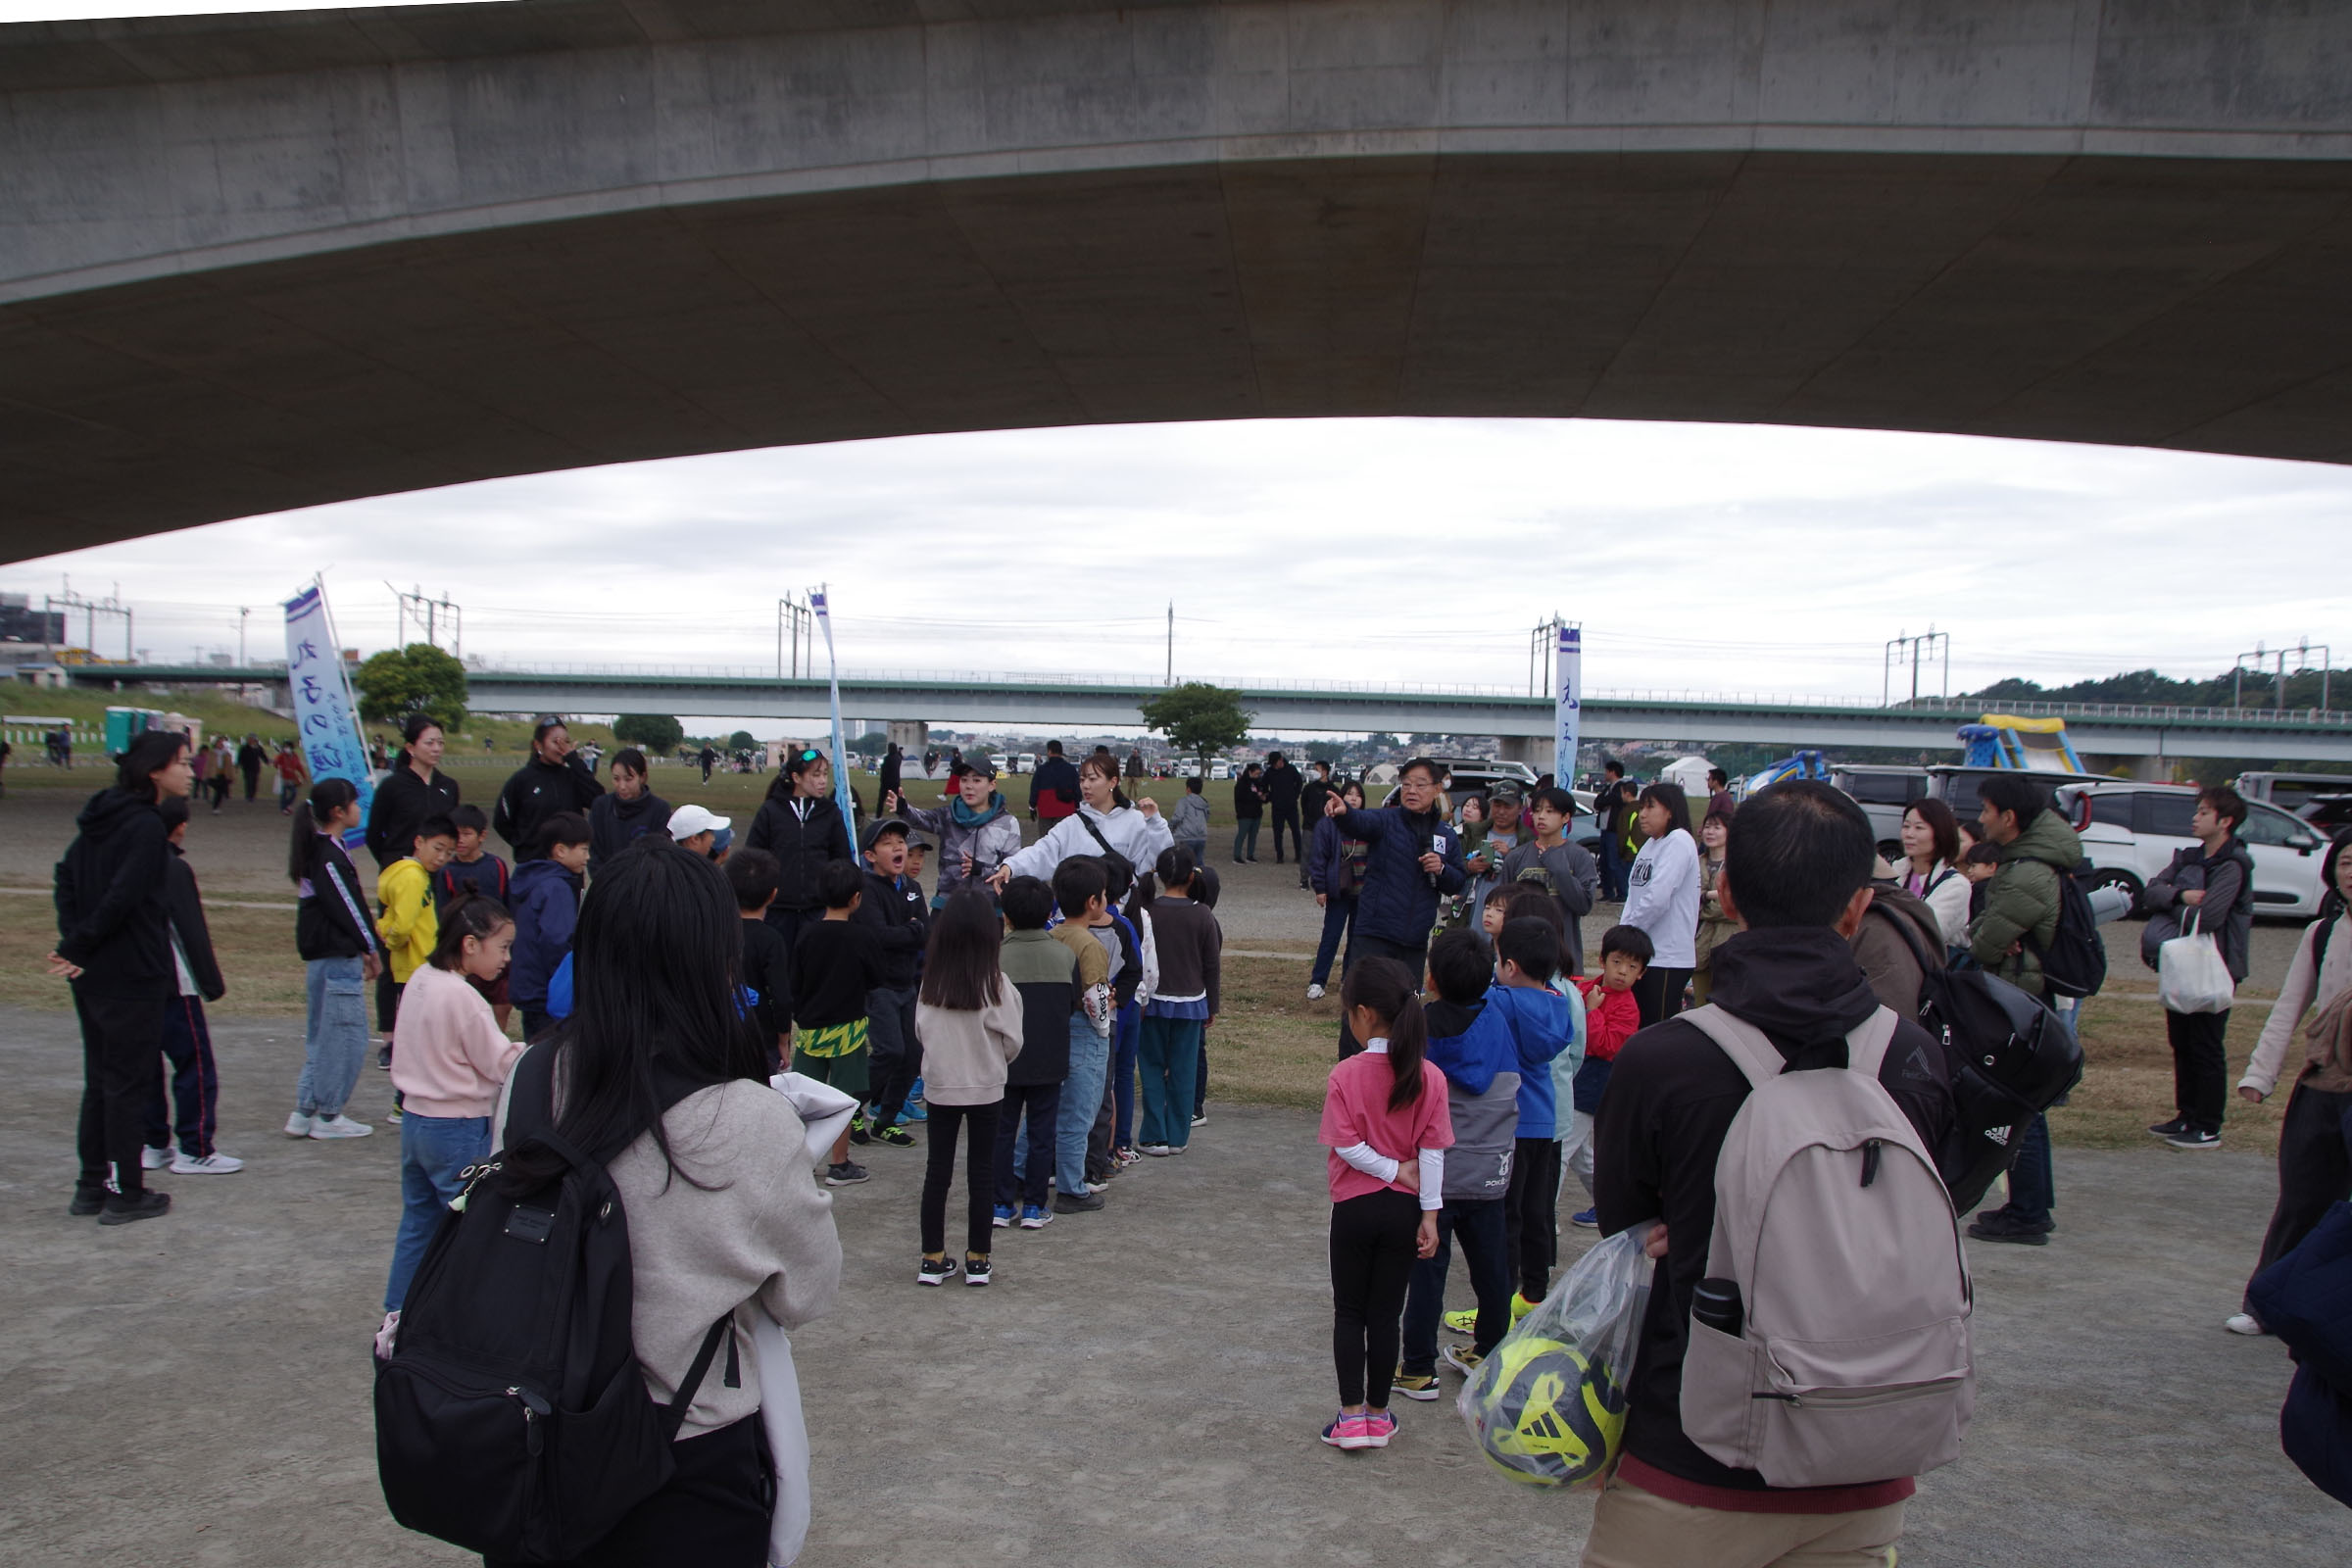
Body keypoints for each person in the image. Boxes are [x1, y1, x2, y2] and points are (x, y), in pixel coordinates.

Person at [1585, 780, 1959, 1564]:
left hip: (1691, 1455)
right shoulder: (1915, 1059)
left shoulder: (1665, 1060)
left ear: (1725, 889)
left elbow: (1627, 1225)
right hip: (1863, 1462)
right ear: (1858, 907)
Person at [483, 838, 841, 1561]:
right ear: (715, 957)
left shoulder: (531, 1074)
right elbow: (806, 1293)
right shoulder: (746, 1117)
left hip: (532, 1434)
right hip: (682, 1450)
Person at [49, 730, 193, 1222]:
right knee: (128, 1083)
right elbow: (124, 895)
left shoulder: (100, 819)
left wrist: (77, 940)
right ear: (154, 770)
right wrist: (78, 942)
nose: (190, 771)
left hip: (95, 973)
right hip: (131, 974)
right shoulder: (144, 827)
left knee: (102, 1080)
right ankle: (125, 1192)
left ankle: (91, 1186)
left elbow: (65, 877)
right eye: (182, 762)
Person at [1317, 956, 1450, 1450]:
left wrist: (1391, 1170)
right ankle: (1378, 1413)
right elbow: (1433, 1152)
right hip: (1404, 1212)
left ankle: (1351, 1417)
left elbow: (1345, 1145)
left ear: (1365, 1014)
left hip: (1353, 1209)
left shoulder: (1346, 1075)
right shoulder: (1430, 1076)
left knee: (1349, 1312)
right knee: (1385, 1313)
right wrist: (1430, 1214)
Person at [2230, 831, 2352, 1336]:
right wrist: (2261, 1073)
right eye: (2346, 862)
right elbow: (2288, 1007)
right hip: (2323, 1086)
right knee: (2302, 1199)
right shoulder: (2322, 932)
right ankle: (2269, 1304)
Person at [381, 895, 521, 1318]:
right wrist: (540, 1056)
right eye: (502, 947)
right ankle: (465, 1320)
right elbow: (500, 1063)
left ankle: (398, 1312)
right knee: (473, 1226)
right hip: (456, 1127)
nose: (507, 959)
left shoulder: (422, 979)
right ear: (470, 944)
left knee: (419, 1224)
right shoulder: (464, 999)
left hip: (417, 1123)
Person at [1395, 930, 1521, 1401]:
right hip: (1491, 1171)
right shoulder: (1499, 1021)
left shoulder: (1419, 1027)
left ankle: (1418, 1369)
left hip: (1435, 1175)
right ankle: (1490, 1352)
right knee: (1493, 1270)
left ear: (1431, 978)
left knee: (1427, 1269)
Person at [1964, 773, 2082, 1244]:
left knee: (2020, 1106)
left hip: (2022, 998)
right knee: (2029, 1104)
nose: (1981, 818)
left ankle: (2028, 1212)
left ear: (2009, 818)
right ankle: (2029, 1204)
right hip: (2026, 994)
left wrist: (1987, 932)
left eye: (1987, 809)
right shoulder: (2029, 861)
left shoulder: (2028, 871)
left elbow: (1984, 940)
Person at [912, 888, 1025, 1286]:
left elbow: (920, 1032)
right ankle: (978, 1258)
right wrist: (993, 1063)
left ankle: (932, 1257)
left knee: (937, 1171)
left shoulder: (931, 984)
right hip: (986, 1087)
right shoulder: (997, 984)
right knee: (982, 1171)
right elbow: (1013, 1039)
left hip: (941, 1086)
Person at [1323, 757, 1468, 1054]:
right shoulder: (1387, 820)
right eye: (1405, 784)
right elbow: (1359, 821)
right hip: (1374, 933)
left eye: (1419, 784)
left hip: (1413, 941)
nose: (1411, 790)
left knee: (1404, 1013)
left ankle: (1395, 1078)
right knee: (1362, 1005)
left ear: (1438, 788)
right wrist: (1342, 812)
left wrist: (1440, 869)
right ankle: (1352, 1076)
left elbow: (1457, 882)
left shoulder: (1445, 835)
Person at [2141, 784, 2257, 1152]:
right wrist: (2180, 896)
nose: (2196, 817)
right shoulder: (2189, 857)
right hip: (2182, 962)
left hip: (2215, 966)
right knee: (2181, 1041)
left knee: (2206, 1045)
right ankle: (2186, 1114)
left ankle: (2208, 1125)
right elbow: (2151, 890)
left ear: (2226, 822)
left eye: (2204, 812)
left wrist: (2173, 902)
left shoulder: (2234, 865)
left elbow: (2210, 916)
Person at [141, 794, 240, 1175]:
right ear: (180, 826)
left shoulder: (133, 863)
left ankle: (154, 1142)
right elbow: (189, 931)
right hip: (174, 982)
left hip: (141, 982)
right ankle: (195, 1146)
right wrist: (210, 982)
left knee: (149, 1064)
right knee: (194, 1064)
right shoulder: (173, 870)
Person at [1485, 917, 1577, 1322]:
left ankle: (1498, 1303)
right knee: (1537, 1210)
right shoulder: (1560, 1002)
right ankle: (1535, 1292)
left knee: (1507, 1214)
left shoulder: (1501, 1002)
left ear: (1512, 966)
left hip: (1511, 1123)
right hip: (1545, 1119)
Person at [284, 777, 382, 1144]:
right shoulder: (328, 855)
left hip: (328, 957)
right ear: (339, 812)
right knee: (347, 1037)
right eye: (355, 803)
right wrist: (370, 950)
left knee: (323, 1036)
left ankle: (304, 1110)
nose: (360, 809)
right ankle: (329, 1114)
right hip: (335, 958)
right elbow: (349, 908)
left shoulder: (326, 850)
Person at [995, 875, 1078, 1230]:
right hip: (1050, 1057)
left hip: (1003, 1059)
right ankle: (1033, 1206)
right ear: (1050, 912)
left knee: (1001, 1132)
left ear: (1006, 915)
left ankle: (999, 1204)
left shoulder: (995, 956)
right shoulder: (1065, 954)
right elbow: (1072, 1004)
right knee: (1043, 1133)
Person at [792, 860, 883, 1188]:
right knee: (842, 1101)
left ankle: (800, 1160)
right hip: (847, 1029)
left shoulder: (806, 933)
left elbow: (796, 980)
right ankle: (839, 1162)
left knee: (804, 1097)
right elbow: (876, 977)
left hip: (810, 1029)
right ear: (856, 898)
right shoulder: (861, 936)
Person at [1136, 847, 1220, 1154]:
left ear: (1158, 875)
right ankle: (1178, 1136)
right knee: (1184, 1071)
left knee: (1152, 1068)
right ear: (1190, 876)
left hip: (1152, 1002)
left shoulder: (1146, 911)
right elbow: (1211, 964)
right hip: (1192, 1003)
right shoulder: (1202, 913)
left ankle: (1154, 1134)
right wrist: (1212, 1005)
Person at [852, 818, 930, 1151]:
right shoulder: (867, 889)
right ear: (870, 855)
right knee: (889, 1051)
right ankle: (851, 1108)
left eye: (900, 841)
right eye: (888, 843)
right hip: (879, 984)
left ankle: (886, 1120)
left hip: (907, 983)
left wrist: (910, 932)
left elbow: (925, 930)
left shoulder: (911, 888)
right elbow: (877, 936)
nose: (898, 848)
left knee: (912, 1055)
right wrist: (909, 932)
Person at [1565, 924, 1648, 1229]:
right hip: (1577, 1073)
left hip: (1596, 1080)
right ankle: (1609, 1205)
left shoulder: (1628, 1008)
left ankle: (1544, 1217)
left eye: (1632, 966)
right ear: (1602, 960)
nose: (1622, 971)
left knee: (1562, 1148)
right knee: (1579, 1154)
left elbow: (1604, 1046)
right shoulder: (1589, 988)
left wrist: (1592, 1012)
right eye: (1617, 962)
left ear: (1641, 973)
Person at [991, 752, 1172, 891]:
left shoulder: (1136, 821)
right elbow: (1042, 852)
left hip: (1122, 917)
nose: (1085, 785)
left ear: (1113, 782)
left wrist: (1156, 823)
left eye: (1093, 779)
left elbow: (1156, 863)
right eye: (1082, 779)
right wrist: (1011, 866)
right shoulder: (1072, 824)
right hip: (1077, 917)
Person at [1047, 858, 1117, 1213]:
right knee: (1080, 1112)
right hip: (1084, 1033)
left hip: (1051, 1029)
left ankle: (1022, 1172)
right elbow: (1096, 997)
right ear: (1094, 902)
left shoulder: (1052, 934)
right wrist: (1105, 1025)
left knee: (1047, 1109)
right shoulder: (1090, 944)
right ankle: (1073, 1187)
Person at [745, 746, 857, 954]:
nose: (823, 780)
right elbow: (754, 857)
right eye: (816, 775)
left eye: (825, 774)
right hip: (777, 911)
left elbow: (841, 859)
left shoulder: (830, 812)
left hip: (818, 911)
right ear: (796, 777)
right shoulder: (771, 811)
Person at [374, 813, 459, 1086]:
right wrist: (392, 940)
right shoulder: (413, 878)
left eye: (448, 853)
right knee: (418, 1036)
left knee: (417, 1032)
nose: (442, 858)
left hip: (417, 964)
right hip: (416, 965)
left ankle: (408, 1095)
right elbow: (403, 924)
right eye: (437, 849)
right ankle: (406, 1097)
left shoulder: (416, 875)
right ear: (418, 842)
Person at [887, 760, 1022, 906]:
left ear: (992, 785)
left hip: (988, 907)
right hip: (946, 904)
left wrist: (981, 868)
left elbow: (1013, 868)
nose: (969, 786)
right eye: (964, 780)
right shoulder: (948, 815)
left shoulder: (1008, 822)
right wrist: (903, 809)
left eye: (977, 780)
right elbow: (921, 819)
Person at [1621, 782, 1700, 1026]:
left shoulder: (1678, 841)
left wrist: (1627, 933)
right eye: (1641, 807)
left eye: (1650, 807)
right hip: (1643, 954)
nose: (1642, 814)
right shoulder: (1650, 844)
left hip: (1667, 957)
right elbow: (1633, 897)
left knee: (1657, 1027)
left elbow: (1658, 898)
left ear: (1670, 811)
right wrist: (1622, 933)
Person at [1499, 785, 1599, 976]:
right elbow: (1504, 906)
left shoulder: (1579, 856)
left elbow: (1583, 905)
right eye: (1537, 811)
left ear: (1566, 817)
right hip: (1521, 956)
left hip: (1563, 956)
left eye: (1550, 811)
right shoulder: (1516, 857)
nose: (1541, 816)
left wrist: (1559, 867)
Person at [509, 811, 591, 1043]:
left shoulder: (535, 880)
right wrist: (571, 983)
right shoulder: (557, 888)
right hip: (547, 993)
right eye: (583, 849)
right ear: (561, 850)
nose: (588, 857)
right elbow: (557, 941)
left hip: (529, 987)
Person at [494, 718, 604, 862]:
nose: (562, 747)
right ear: (538, 745)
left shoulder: (572, 776)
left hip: (569, 866)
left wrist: (574, 761)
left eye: (566, 742)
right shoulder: (522, 779)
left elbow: (598, 801)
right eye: (555, 742)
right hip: (533, 866)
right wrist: (525, 845)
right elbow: (501, 820)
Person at [727, 848, 793, 1073]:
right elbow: (781, 997)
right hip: (761, 1039)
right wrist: (783, 1040)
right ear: (773, 895)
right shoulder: (771, 939)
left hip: (719, 1032)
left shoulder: (716, 931)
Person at [366, 714, 460, 871]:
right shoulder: (392, 785)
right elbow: (373, 835)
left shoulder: (449, 786)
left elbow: (451, 833)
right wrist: (392, 864)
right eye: (429, 743)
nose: (436, 748)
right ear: (411, 748)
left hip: (436, 875)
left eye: (440, 743)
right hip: (400, 874)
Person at [1305, 779, 1369, 1001]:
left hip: (1363, 891)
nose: (1353, 798)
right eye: (1349, 794)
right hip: (1339, 889)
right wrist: (1320, 887)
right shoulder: (1328, 824)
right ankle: (1318, 980)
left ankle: (1348, 980)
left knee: (1357, 938)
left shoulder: (1366, 823)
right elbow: (1318, 858)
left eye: (1357, 795)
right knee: (1331, 936)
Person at [1895, 797, 1971, 948]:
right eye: (1906, 826)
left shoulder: (1956, 885)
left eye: (1919, 828)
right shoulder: (1896, 871)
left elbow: (1928, 933)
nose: (1909, 834)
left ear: (1940, 833)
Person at [588, 748, 672, 865]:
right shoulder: (601, 806)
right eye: (616, 779)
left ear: (642, 777)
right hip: (607, 879)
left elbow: (660, 856)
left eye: (628, 779)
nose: (622, 786)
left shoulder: (660, 809)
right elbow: (594, 852)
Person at [1690, 810, 1738, 1005]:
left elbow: (1734, 906)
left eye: (1717, 827)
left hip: (1728, 943)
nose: (1710, 832)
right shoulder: (1695, 862)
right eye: (1707, 827)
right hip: (1699, 946)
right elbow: (1688, 902)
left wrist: (1702, 901)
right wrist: (1709, 896)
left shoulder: (1737, 865)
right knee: (1700, 1004)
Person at [1593, 760, 1637, 903]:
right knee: (1604, 862)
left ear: (1612, 772)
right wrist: (1604, 801)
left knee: (1614, 862)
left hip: (1614, 831)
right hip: (1605, 830)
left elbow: (1611, 800)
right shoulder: (1608, 788)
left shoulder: (1620, 787)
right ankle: (1608, 892)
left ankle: (1622, 893)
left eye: (1606, 771)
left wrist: (1605, 801)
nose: (1605, 774)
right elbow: (1598, 802)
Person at [1263, 750, 1305, 867]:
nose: (1274, 765)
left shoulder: (1291, 769)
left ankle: (1298, 855)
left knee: (1296, 831)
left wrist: (1295, 795)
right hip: (1277, 807)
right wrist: (1270, 797)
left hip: (1291, 806)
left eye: (1275, 762)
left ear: (1280, 760)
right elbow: (1264, 786)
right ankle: (1279, 856)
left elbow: (1299, 782)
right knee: (1277, 832)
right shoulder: (1269, 772)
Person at [1029, 739, 1080, 828]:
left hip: (1046, 810)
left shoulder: (1041, 770)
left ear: (1049, 751)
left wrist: (1032, 807)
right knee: (1065, 839)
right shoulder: (1071, 769)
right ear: (1061, 752)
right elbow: (1077, 790)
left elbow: (1034, 790)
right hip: (1066, 810)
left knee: (1046, 839)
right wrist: (1077, 807)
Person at [1171, 774, 1211, 868]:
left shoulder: (1183, 801)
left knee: (1184, 864)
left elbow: (1178, 817)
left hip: (1185, 836)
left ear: (1188, 789)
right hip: (1201, 837)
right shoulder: (1204, 802)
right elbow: (1207, 817)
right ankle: (1200, 880)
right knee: (1199, 863)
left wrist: (1170, 827)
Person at [667, 803, 731, 859]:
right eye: (711, 832)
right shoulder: (691, 870)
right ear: (695, 839)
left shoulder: (668, 863)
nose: (713, 839)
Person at [1232, 761, 1266, 863]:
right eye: (1256, 773)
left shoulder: (1258, 782)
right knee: (1241, 835)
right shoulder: (1242, 783)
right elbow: (1242, 797)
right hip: (1245, 813)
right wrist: (1257, 796)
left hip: (1256, 813)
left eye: (1259, 774)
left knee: (1253, 835)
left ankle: (1250, 855)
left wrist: (1264, 797)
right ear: (1250, 772)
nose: (1258, 776)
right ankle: (1237, 855)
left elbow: (1262, 792)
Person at [273, 741, 308, 813]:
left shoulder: (295, 756)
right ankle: (283, 808)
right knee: (283, 794)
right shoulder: (281, 756)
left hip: (292, 778)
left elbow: (299, 767)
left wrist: (304, 776)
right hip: (283, 778)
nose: (286, 748)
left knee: (294, 792)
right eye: (285, 747)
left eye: (287, 747)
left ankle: (287, 805)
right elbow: (276, 764)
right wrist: (281, 766)